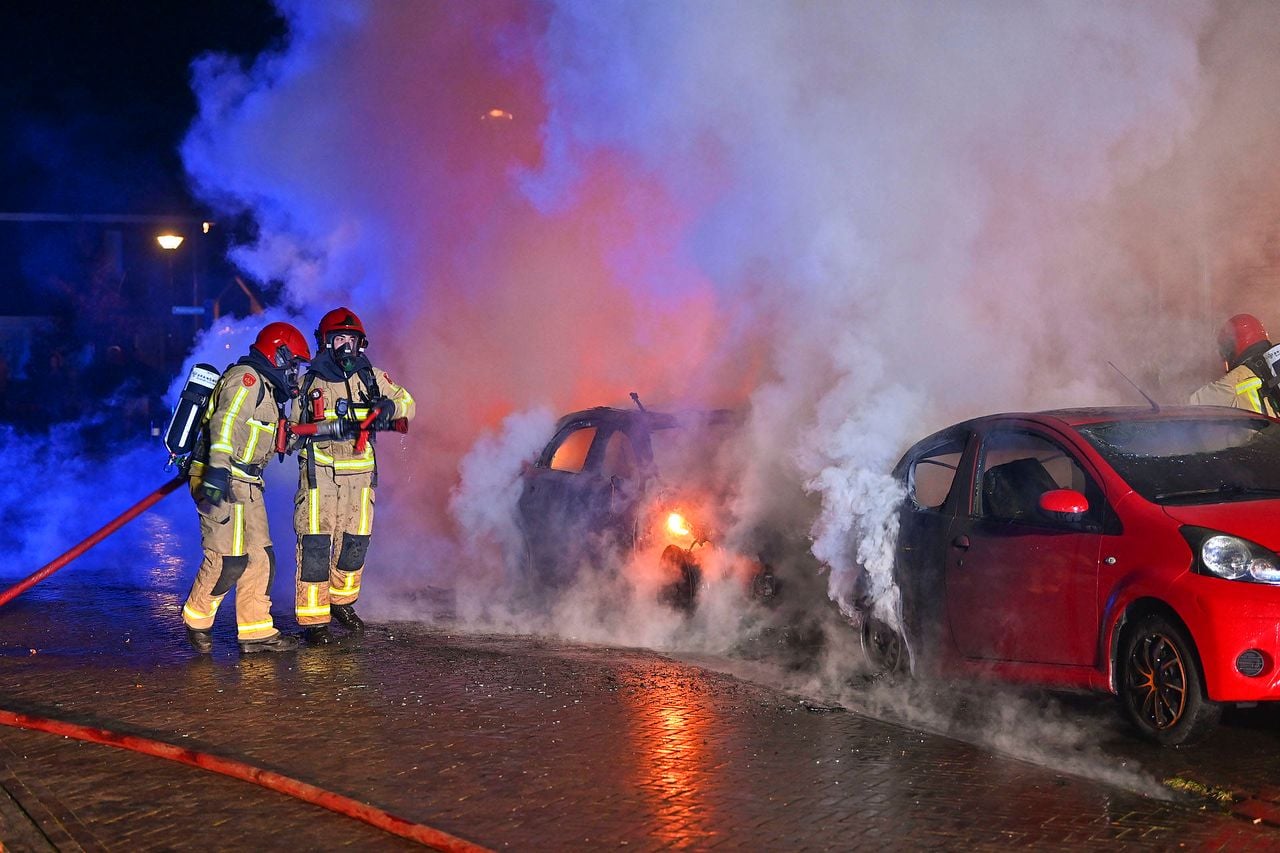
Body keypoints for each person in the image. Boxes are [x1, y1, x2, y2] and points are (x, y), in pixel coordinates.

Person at [181, 321, 311, 654]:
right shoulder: (246, 379)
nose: (294, 373)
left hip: (249, 481)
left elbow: (277, 441)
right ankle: (197, 619)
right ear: (278, 353)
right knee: (228, 559)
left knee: (260, 557)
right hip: (222, 476)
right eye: (293, 364)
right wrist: (219, 471)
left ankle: (256, 633)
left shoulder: (267, 391)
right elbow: (225, 422)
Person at [292, 307, 415, 645]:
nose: (346, 346)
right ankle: (314, 622)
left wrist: (390, 408)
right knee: (316, 546)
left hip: (360, 479)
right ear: (325, 342)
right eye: (338, 339)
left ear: (361, 343)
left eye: (351, 339)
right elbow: (286, 430)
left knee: (354, 545)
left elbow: (408, 402)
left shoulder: (372, 377)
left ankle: (342, 604)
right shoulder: (308, 382)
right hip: (320, 478)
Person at [1189, 313, 1280, 416]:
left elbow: (1191, 404)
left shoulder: (1236, 379)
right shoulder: (1274, 366)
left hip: (1265, 432)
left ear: (1230, 348)